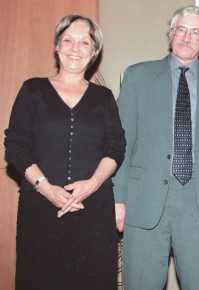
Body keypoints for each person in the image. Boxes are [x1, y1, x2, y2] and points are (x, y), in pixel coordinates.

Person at [113, 5, 199, 290]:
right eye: (181, 29)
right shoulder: (137, 76)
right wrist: (118, 198)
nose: (186, 37)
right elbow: (122, 141)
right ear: (170, 34)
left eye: (195, 32)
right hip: (144, 202)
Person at [4, 14, 125, 290]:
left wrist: (90, 186)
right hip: (40, 209)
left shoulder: (104, 98)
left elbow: (116, 147)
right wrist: (48, 190)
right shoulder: (32, 90)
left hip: (93, 211)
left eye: (84, 43)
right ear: (57, 47)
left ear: (94, 52)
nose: (75, 48)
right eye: (68, 40)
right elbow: (16, 146)